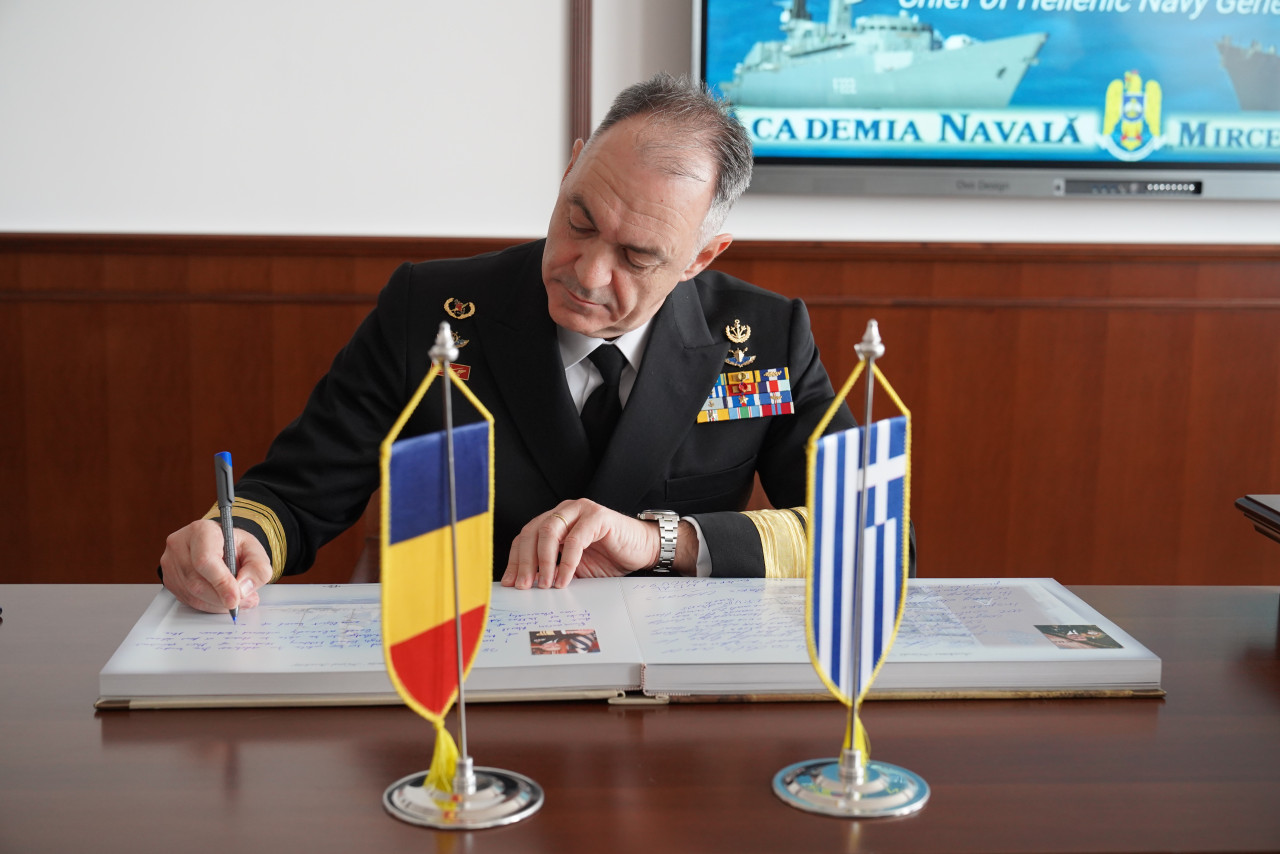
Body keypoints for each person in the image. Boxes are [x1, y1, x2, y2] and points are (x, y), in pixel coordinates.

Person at [159, 72, 858, 615]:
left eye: (637, 256)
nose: (587, 273)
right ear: (570, 169)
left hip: (672, 684)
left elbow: (868, 536)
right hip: (466, 677)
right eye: (579, 221)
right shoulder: (428, 310)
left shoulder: (766, 337)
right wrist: (237, 536)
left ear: (701, 257)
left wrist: (661, 541)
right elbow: (295, 493)